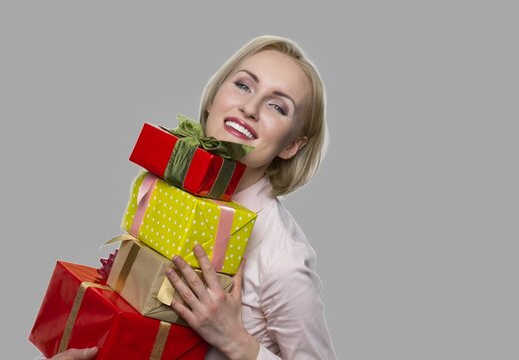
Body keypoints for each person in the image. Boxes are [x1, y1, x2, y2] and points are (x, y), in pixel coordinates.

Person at [45, 35, 336, 359]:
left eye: (277, 106)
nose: (250, 108)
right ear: (213, 98)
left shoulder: (283, 259)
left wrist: (239, 342)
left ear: (291, 146)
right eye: (243, 85)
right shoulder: (168, 195)